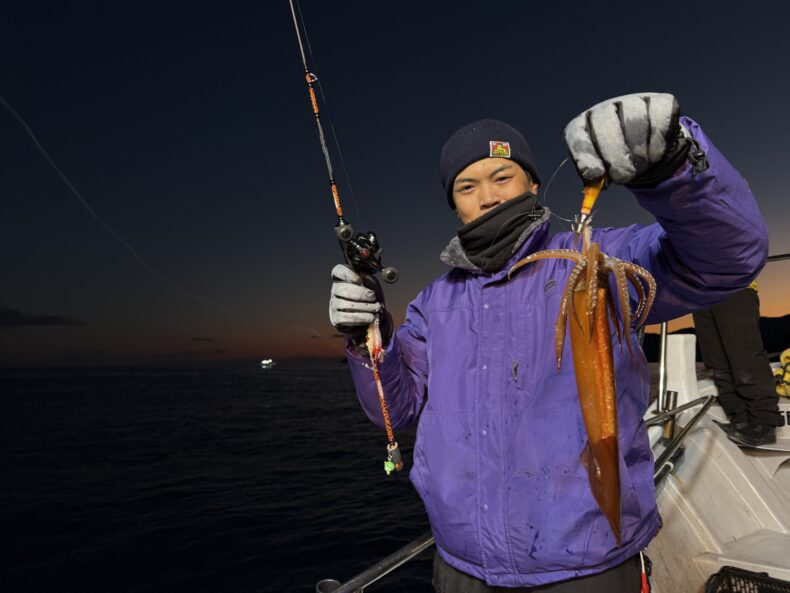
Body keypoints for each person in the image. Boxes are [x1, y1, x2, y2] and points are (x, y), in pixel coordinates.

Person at [329, 93, 768, 591]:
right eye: (467, 186)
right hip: (460, 566)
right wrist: (367, 334)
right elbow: (394, 408)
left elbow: (729, 258)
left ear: (533, 184)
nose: (487, 197)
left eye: (502, 177)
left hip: (587, 566)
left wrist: (673, 168)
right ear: (455, 204)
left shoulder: (606, 259)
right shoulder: (435, 302)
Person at [692, 282, 782, 447]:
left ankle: (764, 422)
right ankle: (740, 419)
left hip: (734, 285)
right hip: (700, 294)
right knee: (716, 361)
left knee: (744, 354)